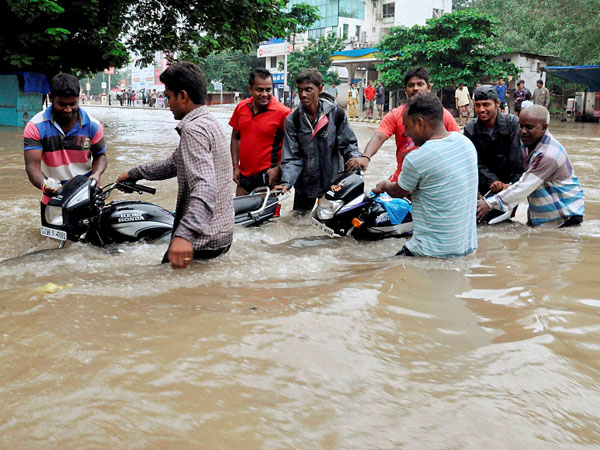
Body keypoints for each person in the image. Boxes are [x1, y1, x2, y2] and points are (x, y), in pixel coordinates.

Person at [117, 62, 234, 268]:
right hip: (221, 234)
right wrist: (135, 173)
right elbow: (174, 164)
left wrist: (184, 235)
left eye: (168, 97)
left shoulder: (193, 130)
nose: (167, 103)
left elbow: (205, 187)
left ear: (183, 96)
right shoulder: (209, 121)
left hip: (201, 239)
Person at [373, 93, 478, 258]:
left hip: (429, 251)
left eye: (407, 127)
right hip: (465, 247)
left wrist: (384, 185)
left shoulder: (417, 158)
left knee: (372, 271)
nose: (406, 133)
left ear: (420, 123)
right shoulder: (465, 143)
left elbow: (398, 191)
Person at [347, 66, 460, 182]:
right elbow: (379, 136)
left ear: (429, 87)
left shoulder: (442, 115)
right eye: (411, 85)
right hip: (402, 181)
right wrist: (366, 157)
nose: (415, 89)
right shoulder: (396, 114)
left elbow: (458, 144)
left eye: (420, 84)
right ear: (405, 90)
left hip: (434, 182)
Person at [477, 105, 584, 227]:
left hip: (564, 217)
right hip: (544, 215)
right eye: (521, 126)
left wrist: (489, 204)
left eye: (529, 127)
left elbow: (524, 186)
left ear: (544, 128)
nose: (523, 131)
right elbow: (524, 178)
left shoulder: (548, 154)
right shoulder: (529, 143)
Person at [24, 73, 107, 222]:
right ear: (50, 98)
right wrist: (44, 184)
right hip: (54, 196)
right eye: (62, 104)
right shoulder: (35, 127)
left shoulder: (93, 126)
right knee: (50, 243)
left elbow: (101, 156)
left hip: (87, 193)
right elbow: (32, 166)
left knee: (92, 243)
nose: (68, 109)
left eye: (73, 104)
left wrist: (96, 174)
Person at [274, 68, 360, 213]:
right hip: (305, 184)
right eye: (300, 90)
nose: (303, 94)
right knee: (298, 223)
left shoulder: (336, 114)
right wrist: (286, 182)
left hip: (334, 182)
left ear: (319, 89)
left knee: (331, 227)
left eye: (308, 89)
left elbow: (349, 144)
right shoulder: (293, 120)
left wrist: (356, 159)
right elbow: (292, 157)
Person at [229, 68, 291, 196]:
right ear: (250, 89)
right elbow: (235, 137)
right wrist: (235, 166)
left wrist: (279, 168)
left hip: (268, 178)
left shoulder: (283, 113)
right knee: (238, 214)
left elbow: (293, 146)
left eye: (268, 90)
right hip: (243, 177)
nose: (264, 94)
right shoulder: (241, 107)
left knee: (265, 216)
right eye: (259, 90)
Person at [463, 85, 522, 195]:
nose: (481, 110)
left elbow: (517, 158)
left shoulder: (512, 124)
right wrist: (492, 180)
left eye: (486, 104)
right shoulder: (470, 130)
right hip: (484, 184)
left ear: (497, 103)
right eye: (477, 105)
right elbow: (473, 162)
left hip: (510, 185)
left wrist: (513, 184)